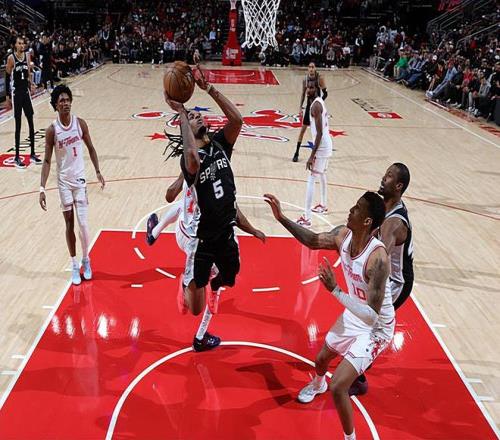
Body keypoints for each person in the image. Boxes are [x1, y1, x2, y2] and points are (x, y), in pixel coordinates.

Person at [264, 192, 394, 440]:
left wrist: (336, 291)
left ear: (367, 221)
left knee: (339, 386)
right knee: (321, 360)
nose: (351, 210)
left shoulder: (377, 259)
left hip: (376, 327)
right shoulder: (343, 236)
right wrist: (281, 218)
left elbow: (371, 317)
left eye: (357, 208)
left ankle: (350, 438)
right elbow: (313, 240)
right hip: (356, 313)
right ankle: (317, 384)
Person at [146, 173, 265, 351]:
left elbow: (170, 195)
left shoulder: (191, 171)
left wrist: (184, 174)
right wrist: (253, 230)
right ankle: (201, 332)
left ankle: (154, 234)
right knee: (223, 273)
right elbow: (235, 213)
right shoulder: (219, 181)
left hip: (184, 235)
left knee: (181, 207)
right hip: (207, 241)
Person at [164, 67, 245, 319]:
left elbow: (237, 121)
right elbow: (191, 158)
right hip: (197, 236)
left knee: (231, 272)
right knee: (196, 310)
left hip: (221, 228)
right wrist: (182, 113)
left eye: (200, 116)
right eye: (193, 117)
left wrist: (208, 88)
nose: (198, 117)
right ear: (186, 128)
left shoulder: (219, 144)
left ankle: (215, 285)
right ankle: (184, 284)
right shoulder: (189, 161)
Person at [349, 163, 413, 396]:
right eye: (385, 174)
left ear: (398, 186)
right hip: (390, 277)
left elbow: (379, 257)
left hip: (396, 282)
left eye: (389, 176)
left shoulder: (393, 223)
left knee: (368, 323)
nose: (383, 178)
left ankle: (358, 377)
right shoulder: (387, 208)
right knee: (363, 320)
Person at [39, 85, 105, 285]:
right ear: (55, 105)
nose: (66, 103)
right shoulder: (52, 130)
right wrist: (42, 188)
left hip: (80, 180)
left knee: (83, 224)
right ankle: (74, 263)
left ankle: (86, 259)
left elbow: (91, 148)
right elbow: (47, 160)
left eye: (68, 100)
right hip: (64, 183)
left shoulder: (80, 124)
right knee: (69, 223)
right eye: (62, 101)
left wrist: (98, 171)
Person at [296, 79, 333, 227]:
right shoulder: (318, 101)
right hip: (327, 144)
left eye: (311, 88)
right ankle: (323, 205)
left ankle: (307, 218)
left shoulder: (316, 106)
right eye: (307, 88)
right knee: (322, 174)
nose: (308, 90)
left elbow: (319, 133)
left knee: (311, 179)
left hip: (322, 146)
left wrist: (312, 156)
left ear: (316, 89)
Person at [5, 35, 41, 168]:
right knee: (18, 125)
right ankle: (16, 157)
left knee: (31, 122)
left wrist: (31, 84)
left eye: (23, 43)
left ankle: (32, 154)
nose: (22, 45)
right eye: (19, 43)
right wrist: (8, 97)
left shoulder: (27, 56)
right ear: (15, 45)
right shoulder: (11, 58)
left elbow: (28, 73)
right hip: (16, 94)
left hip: (26, 93)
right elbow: (7, 77)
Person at [293, 62, 327, 162]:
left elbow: (325, 93)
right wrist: (300, 107)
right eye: (309, 67)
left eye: (313, 67)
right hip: (309, 107)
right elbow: (303, 94)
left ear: (315, 68)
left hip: (316, 108)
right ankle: (296, 152)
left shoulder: (319, 78)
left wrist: (319, 103)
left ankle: (319, 152)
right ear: (308, 68)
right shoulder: (305, 80)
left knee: (319, 131)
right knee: (302, 130)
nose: (311, 69)